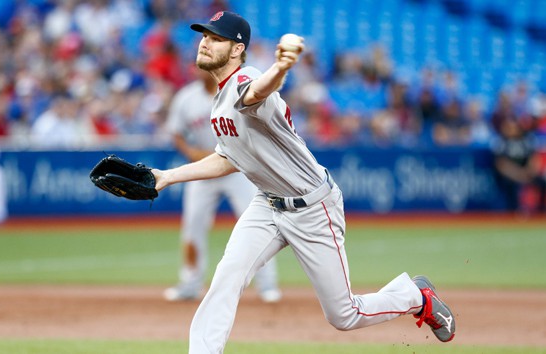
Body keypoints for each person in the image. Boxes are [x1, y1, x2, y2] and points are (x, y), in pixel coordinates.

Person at [152, 11, 456, 353]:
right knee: (227, 277)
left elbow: (257, 91)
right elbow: (228, 157)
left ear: (237, 49)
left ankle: (415, 297)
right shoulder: (219, 100)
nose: (205, 42)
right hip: (267, 204)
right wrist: (167, 177)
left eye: (215, 38)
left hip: (312, 206)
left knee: (344, 315)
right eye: (204, 36)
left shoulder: (246, 79)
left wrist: (280, 68)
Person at [163, 67, 281, 303]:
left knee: (260, 224)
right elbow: (175, 132)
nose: (199, 70)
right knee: (193, 227)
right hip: (202, 171)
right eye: (197, 66)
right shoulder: (186, 98)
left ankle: (267, 285)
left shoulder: (234, 92)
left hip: (239, 169)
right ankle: (189, 284)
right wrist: (190, 151)